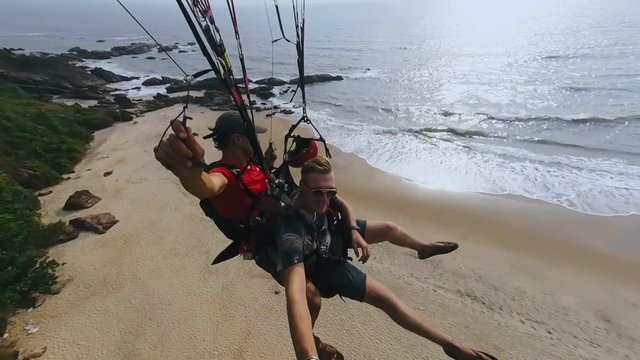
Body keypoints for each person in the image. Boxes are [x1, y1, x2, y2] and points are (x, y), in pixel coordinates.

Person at [276, 156, 497, 360]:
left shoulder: (321, 195)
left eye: (330, 192)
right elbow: (294, 296)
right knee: (381, 298)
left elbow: (341, 204)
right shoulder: (291, 233)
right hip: (319, 264)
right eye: (318, 193)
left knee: (390, 231)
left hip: (332, 238)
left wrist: (353, 230)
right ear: (303, 188)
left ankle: (451, 343)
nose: (326, 199)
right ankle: (314, 348)